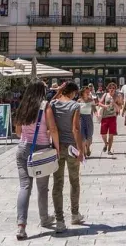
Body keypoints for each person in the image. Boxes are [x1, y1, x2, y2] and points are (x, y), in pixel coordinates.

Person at [13, 81, 60, 240]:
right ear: (42, 92)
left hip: (22, 149)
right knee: (42, 187)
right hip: (41, 150)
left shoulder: (23, 106)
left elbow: (18, 132)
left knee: (24, 186)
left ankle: (21, 226)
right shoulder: (45, 106)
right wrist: (57, 148)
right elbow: (53, 129)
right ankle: (44, 218)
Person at [45, 82, 84, 233]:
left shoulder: (53, 104)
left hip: (57, 146)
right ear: (73, 92)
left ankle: (59, 220)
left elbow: (46, 105)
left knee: (57, 183)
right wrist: (80, 149)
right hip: (71, 148)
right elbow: (75, 129)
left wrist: (58, 92)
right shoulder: (75, 106)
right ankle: (74, 214)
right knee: (74, 181)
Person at [98, 82, 120, 155]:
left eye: (113, 88)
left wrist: (114, 104)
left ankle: (109, 150)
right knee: (103, 134)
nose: (111, 89)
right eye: (110, 88)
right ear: (108, 88)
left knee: (111, 134)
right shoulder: (105, 95)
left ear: (115, 89)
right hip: (104, 117)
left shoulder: (117, 96)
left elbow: (119, 108)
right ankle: (105, 143)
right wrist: (105, 106)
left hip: (112, 117)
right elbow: (99, 103)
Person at [78, 85, 95, 158]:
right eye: (86, 91)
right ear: (82, 92)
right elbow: (76, 111)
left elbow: (94, 109)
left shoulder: (91, 100)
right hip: (81, 119)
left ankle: (87, 147)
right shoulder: (79, 101)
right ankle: (84, 151)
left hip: (89, 119)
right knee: (83, 137)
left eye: (89, 91)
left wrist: (98, 115)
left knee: (89, 136)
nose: (88, 92)